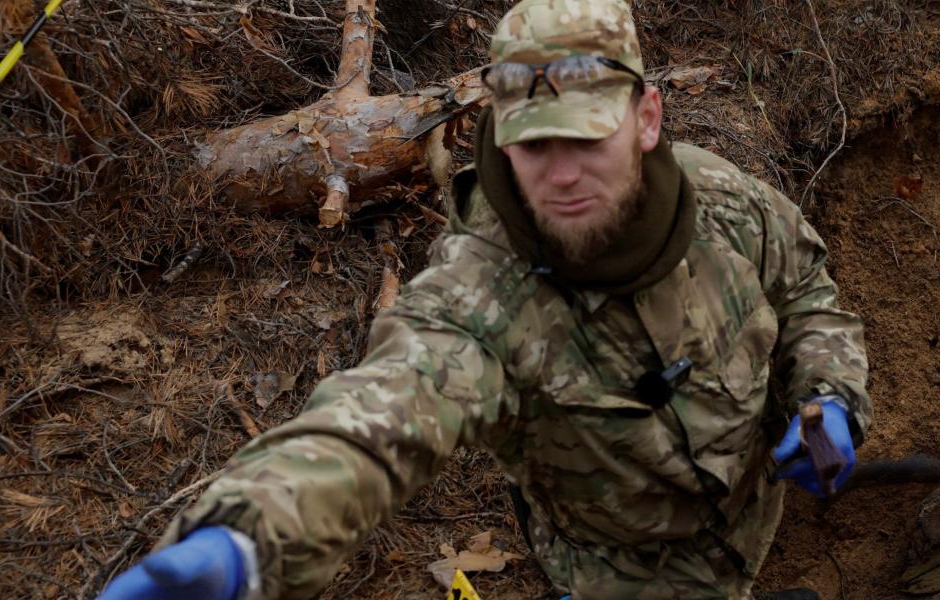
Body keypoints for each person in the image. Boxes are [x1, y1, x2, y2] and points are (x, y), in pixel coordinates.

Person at [98, 1, 872, 598]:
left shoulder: (726, 202)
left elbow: (806, 292)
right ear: (501, 140)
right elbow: (375, 421)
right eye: (536, 144)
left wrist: (830, 394)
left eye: (585, 139)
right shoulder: (480, 295)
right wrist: (246, 542)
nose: (561, 176)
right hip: (619, 576)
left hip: (755, 517)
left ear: (646, 119)